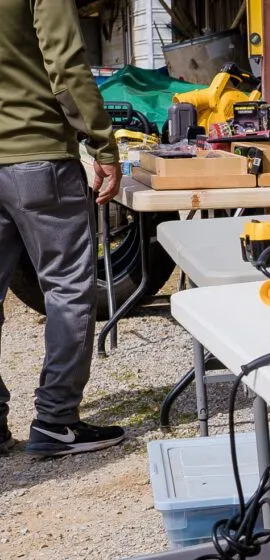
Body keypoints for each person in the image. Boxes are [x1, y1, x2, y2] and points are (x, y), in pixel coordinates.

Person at [0, 0, 126, 457]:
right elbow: (66, 64)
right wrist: (103, 144)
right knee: (69, 289)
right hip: (37, 156)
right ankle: (55, 421)